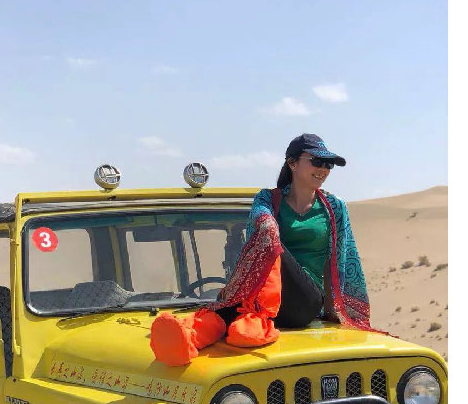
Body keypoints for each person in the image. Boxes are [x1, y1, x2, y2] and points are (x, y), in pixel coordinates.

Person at [150, 133, 375, 366]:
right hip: (268, 302)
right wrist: (267, 227)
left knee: (269, 236)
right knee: (232, 308)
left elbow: (337, 259)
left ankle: (251, 318)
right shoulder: (267, 199)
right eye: (317, 161)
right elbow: (260, 221)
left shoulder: (334, 207)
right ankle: (189, 337)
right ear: (292, 163)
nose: (324, 169)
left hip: (305, 303)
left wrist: (332, 312)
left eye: (328, 164)